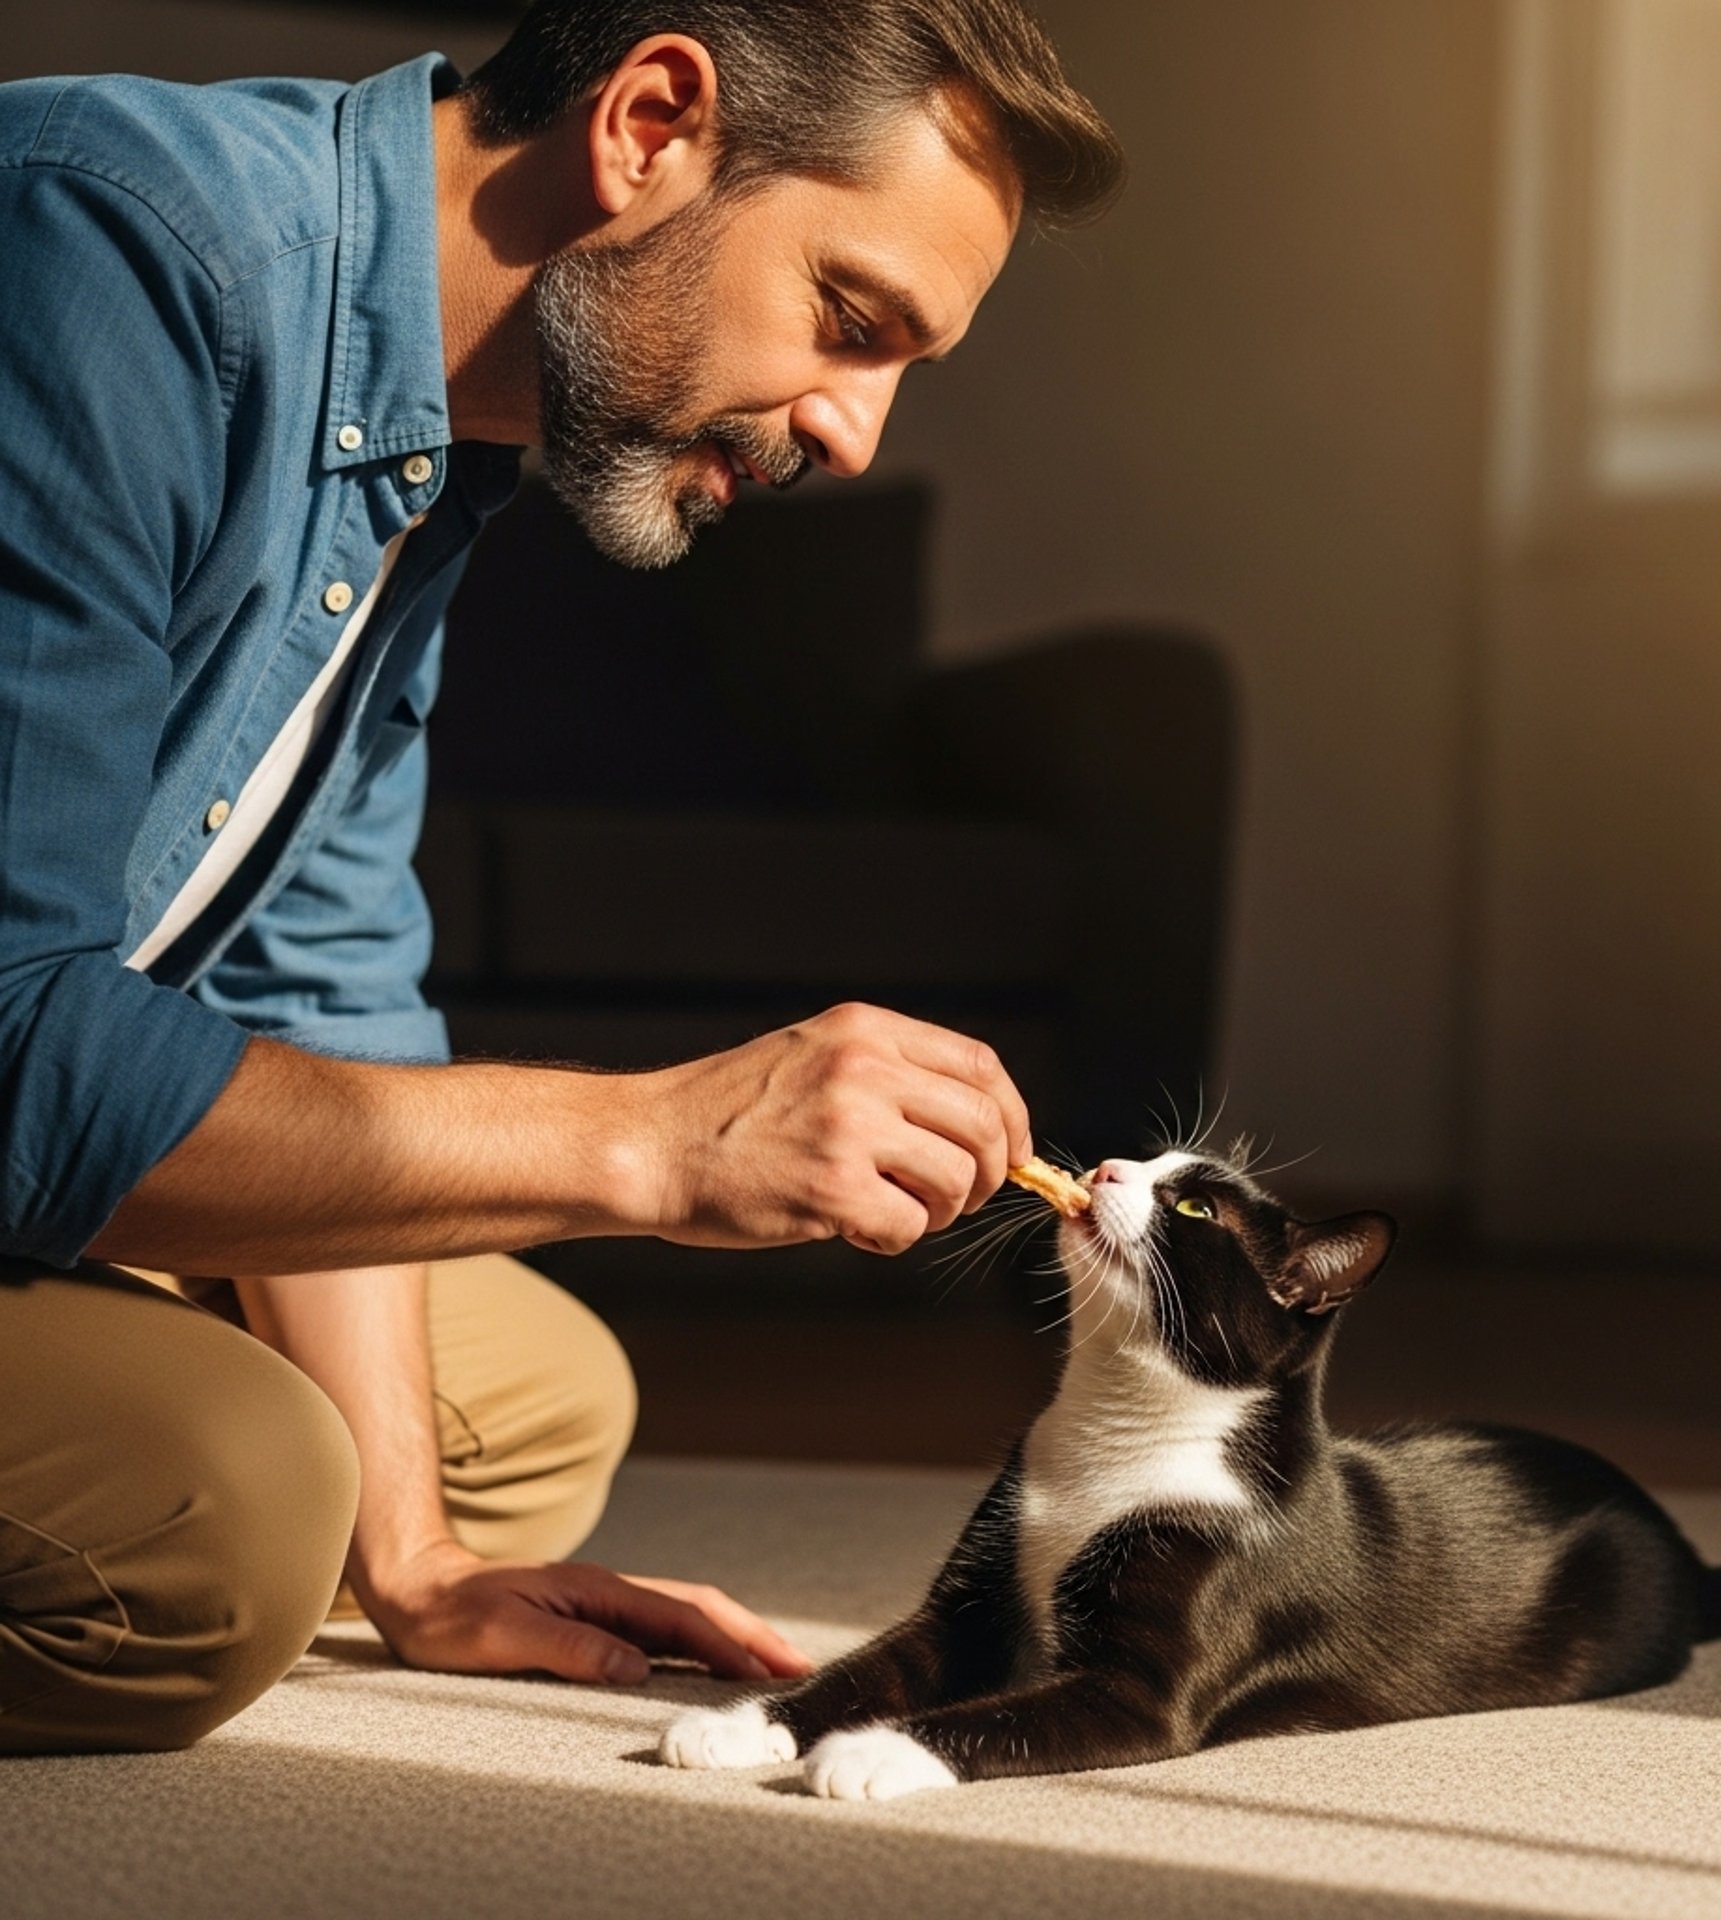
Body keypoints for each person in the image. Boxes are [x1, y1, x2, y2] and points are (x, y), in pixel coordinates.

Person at [0, 0, 1123, 1755]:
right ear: (652, 121)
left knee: (529, 1403)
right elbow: (8, 1043)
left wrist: (419, 1558)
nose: (856, 435)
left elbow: (312, 980)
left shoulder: (442, 439)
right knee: (219, 1520)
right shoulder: (115, 255)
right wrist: (662, 1143)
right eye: (850, 319)